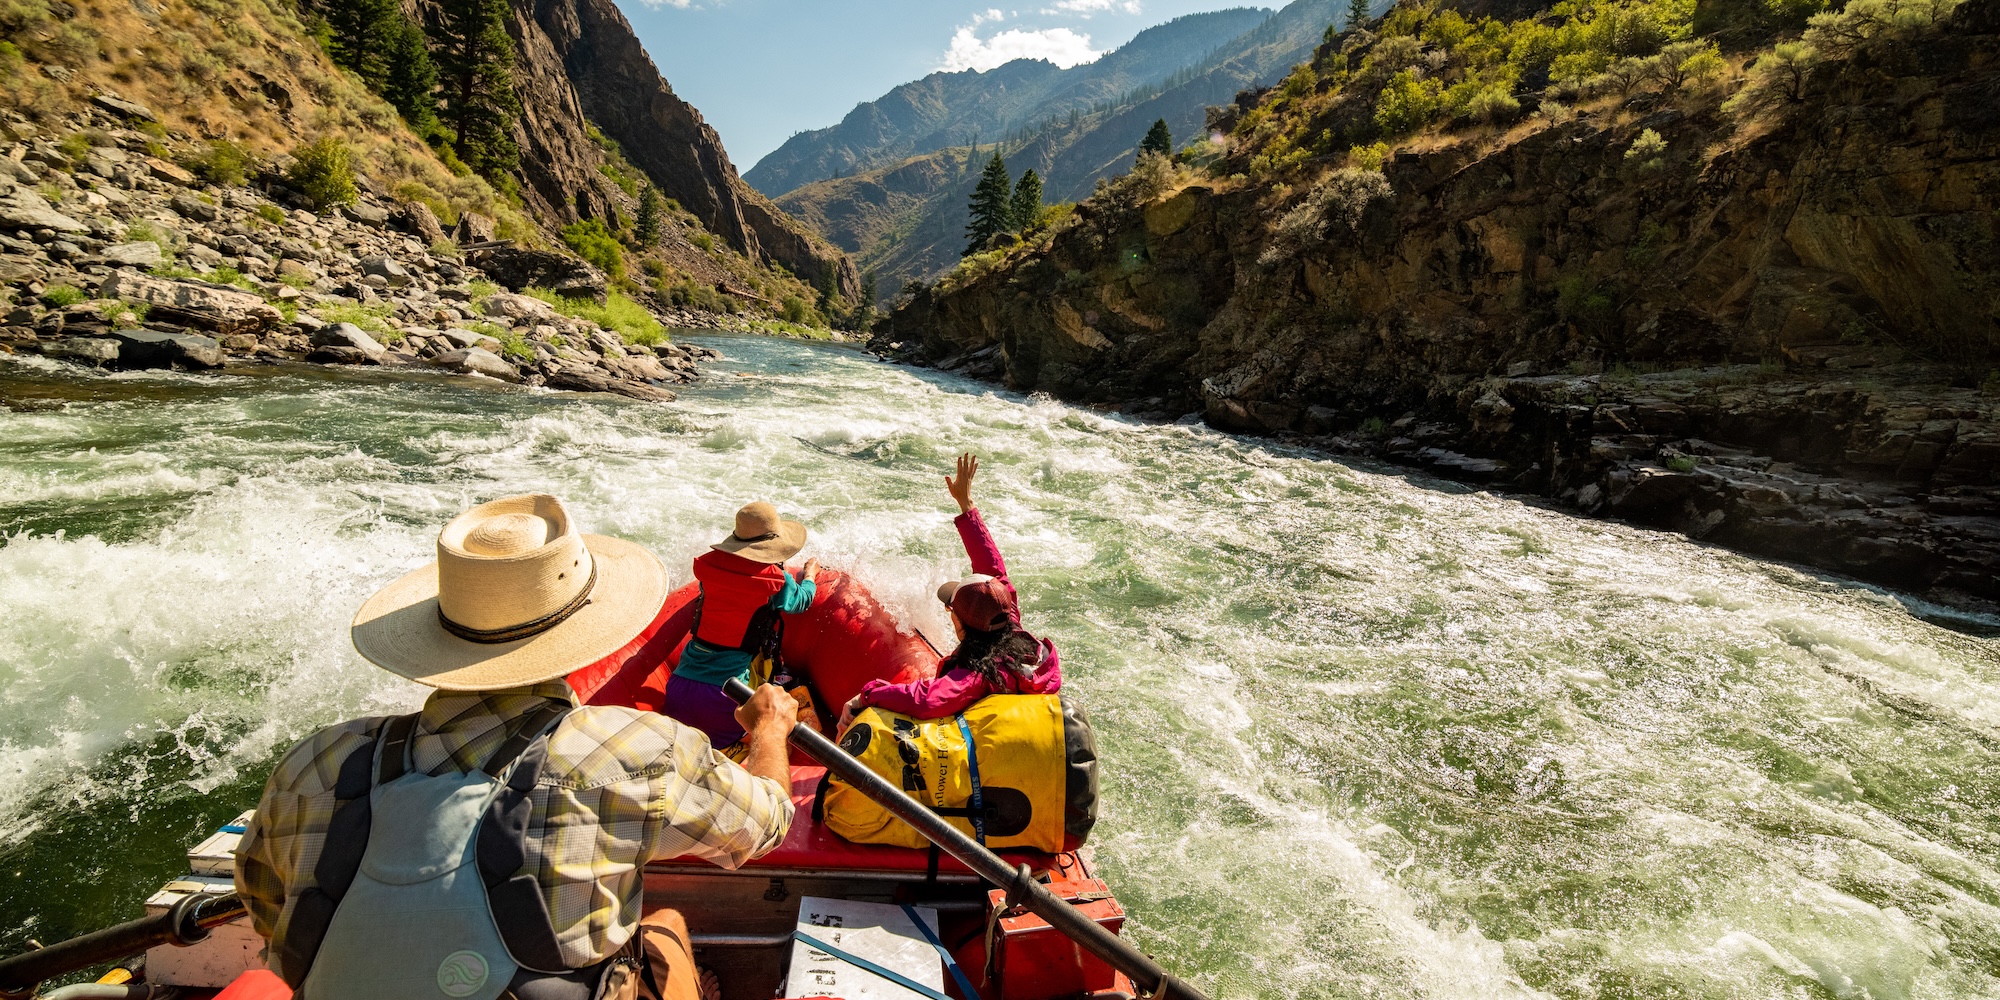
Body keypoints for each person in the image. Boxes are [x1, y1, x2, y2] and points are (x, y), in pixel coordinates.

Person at [234, 493, 799, 1000]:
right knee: (666, 931)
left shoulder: (314, 762)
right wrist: (769, 730)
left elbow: (269, 914)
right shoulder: (642, 751)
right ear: (585, 622)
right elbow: (766, 822)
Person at [839, 453, 1060, 728]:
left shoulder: (979, 673)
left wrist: (866, 695)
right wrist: (966, 505)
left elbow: (927, 700)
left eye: (950, 608)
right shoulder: (1013, 630)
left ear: (961, 620)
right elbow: (993, 569)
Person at [666, 501, 821, 747]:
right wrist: (810, 576)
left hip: (677, 690)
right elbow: (800, 602)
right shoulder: (775, 581)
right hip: (727, 696)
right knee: (776, 740)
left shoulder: (710, 570)